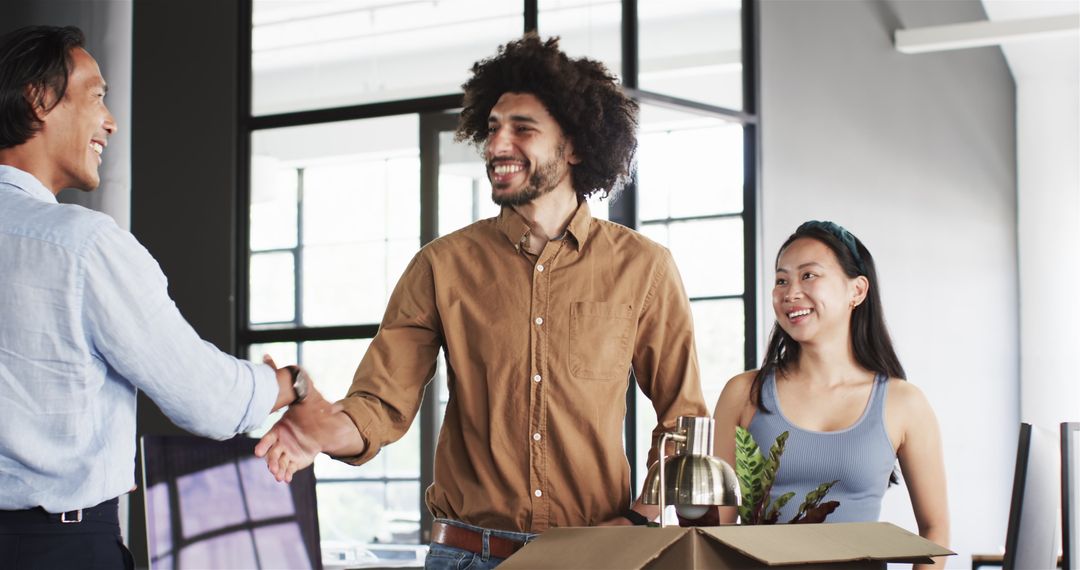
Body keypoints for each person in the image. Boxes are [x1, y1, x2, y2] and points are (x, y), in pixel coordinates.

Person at [255, 34, 707, 569]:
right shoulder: (441, 266)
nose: (497, 145)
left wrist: (638, 517)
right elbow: (381, 403)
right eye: (492, 128)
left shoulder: (643, 268)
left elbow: (685, 420)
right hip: (466, 556)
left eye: (523, 129)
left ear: (576, 146)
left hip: (593, 557)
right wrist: (325, 429)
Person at [0, 25, 312, 569]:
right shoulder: (82, 245)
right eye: (97, 96)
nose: (110, 120)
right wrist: (291, 384)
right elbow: (209, 400)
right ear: (39, 99)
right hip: (58, 550)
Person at [712, 220, 949, 567]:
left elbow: (935, 528)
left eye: (809, 275)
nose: (790, 292)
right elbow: (717, 527)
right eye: (781, 280)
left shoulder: (904, 403)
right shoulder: (743, 393)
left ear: (857, 291)